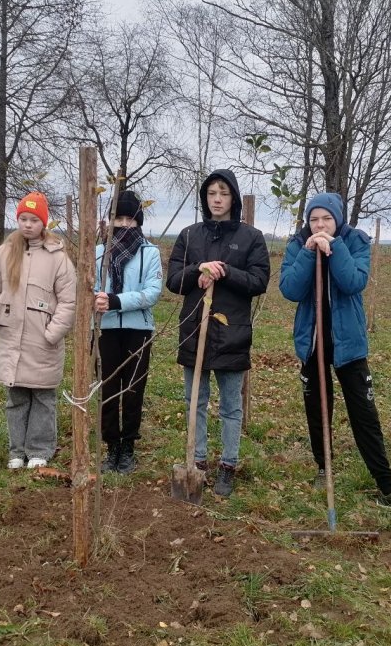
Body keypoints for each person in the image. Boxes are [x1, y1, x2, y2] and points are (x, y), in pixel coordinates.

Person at [279, 193, 391, 514]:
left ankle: (386, 484)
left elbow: (353, 282)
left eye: (326, 219)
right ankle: (324, 468)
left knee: (364, 412)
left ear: (338, 219)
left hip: (349, 344)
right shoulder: (297, 244)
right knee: (318, 409)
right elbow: (290, 289)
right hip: (314, 342)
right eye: (314, 219)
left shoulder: (356, 241)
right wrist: (308, 254)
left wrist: (334, 249)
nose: (319, 225)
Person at [166, 169, 269, 497]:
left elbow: (258, 281)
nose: (217, 199)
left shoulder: (251, 237)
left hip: (232, 332)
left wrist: (225, 272)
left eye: (223, 193)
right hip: (195, 328)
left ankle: (227, 464)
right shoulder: (189, 235)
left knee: (229, 405)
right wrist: (197, 270)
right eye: (212, 193)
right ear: (205, 198)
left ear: (233, 198)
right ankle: (196, 460)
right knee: (194, 399)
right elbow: (173, 280)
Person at [0, 192, 76, 470]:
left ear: (44, 222)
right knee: (16, 399)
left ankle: (39, 450)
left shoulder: (58, 257)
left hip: (43, 341)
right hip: (11, 338)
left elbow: (69, 301)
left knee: (42, 397)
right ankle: (16, 450)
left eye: (34, 219)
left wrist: (52, 333)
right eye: (23, 219)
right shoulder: (4, 253)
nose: (27, 225)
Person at [94, 190, 163, 474]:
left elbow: (152, 292)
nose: (123, 224)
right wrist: (95, 299)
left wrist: (116, 301)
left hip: (138, 330)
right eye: (117, 218)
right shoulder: (98, 252)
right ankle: (112, 447)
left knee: (133, 390)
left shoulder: (151, 253)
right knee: (108, 389)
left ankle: (128, 447)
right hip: (105, 330)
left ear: (138, 222)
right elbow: (88, 286)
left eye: (129, 219)